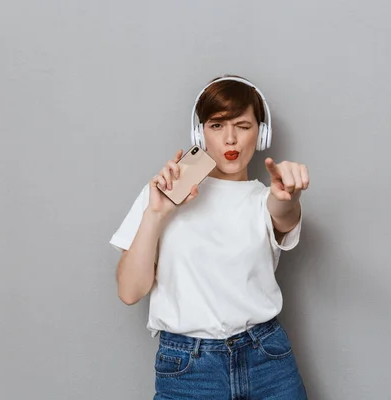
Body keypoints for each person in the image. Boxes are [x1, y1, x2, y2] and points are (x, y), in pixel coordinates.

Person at [109, 75, 310, 399]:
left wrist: (291, 196)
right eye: (217, 125)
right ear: (199, 133)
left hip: (267, 360)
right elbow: (130, 292)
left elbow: (282, 212)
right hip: (189, 370)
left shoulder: (264, 199)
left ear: (261, 133)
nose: (230, 138)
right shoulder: (163, 193)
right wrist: (156, 214)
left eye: (243, 126)